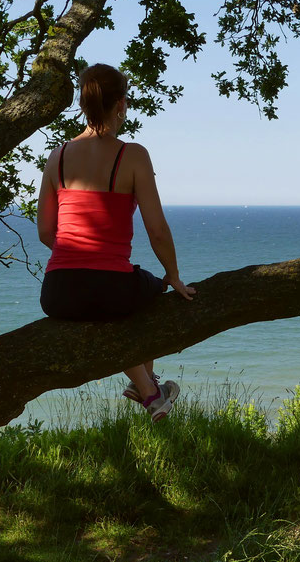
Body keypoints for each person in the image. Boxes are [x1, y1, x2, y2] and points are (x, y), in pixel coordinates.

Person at [37, 63, 196, 422]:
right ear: (121, 104)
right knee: (154, 292)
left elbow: (46, 232)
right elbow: (156, 229)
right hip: (112, 287)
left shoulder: (57, 156)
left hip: (57, 292)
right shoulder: (133, 154)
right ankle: (150, 388)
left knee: (109, 303)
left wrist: (75, 258)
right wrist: (173, 276)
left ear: (83, 102)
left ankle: (145, 387)